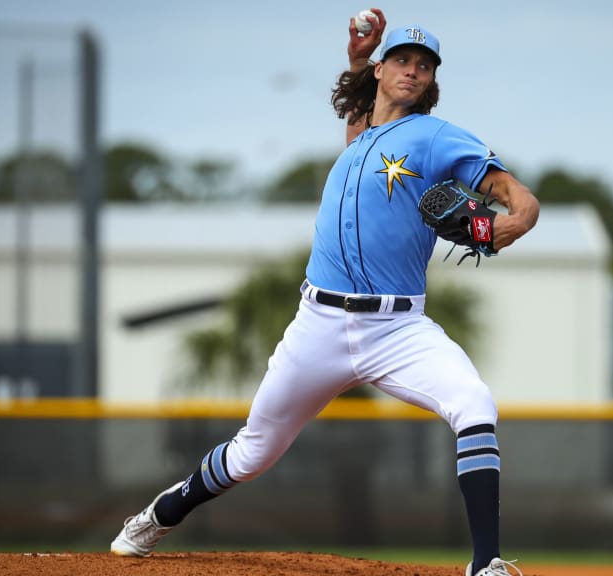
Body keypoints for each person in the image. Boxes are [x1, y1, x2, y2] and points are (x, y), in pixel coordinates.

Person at [110, 9, 539, 576]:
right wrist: (360, 57)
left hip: (398, 328)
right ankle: (161, 513)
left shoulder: (435, 136)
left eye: (424, 65)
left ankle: (486, 564)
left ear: (433, 82)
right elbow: (362, 113)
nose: (413, 71)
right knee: (252, 453)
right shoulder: (359, 139)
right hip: (318, 325)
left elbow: (516, 196)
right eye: (403, 60)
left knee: (475, 405)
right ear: (385, 70)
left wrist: (513, 222)